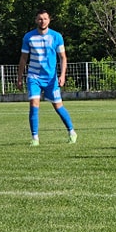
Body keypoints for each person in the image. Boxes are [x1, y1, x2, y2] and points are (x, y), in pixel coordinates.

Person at [18, 9, 77, 145]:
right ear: (35, 20)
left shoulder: (56, 37)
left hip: (51, 78)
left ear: (49, 20)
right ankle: (35, 138)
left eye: (45, 18)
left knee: (58, 106)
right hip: (34, 76)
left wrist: (62, 75)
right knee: (34, 104)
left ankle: (71, 132)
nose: (42, 21)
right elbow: (23, 58)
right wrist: (19, 78)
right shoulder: (29, 37)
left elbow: (63, 57)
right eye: (39, 18)